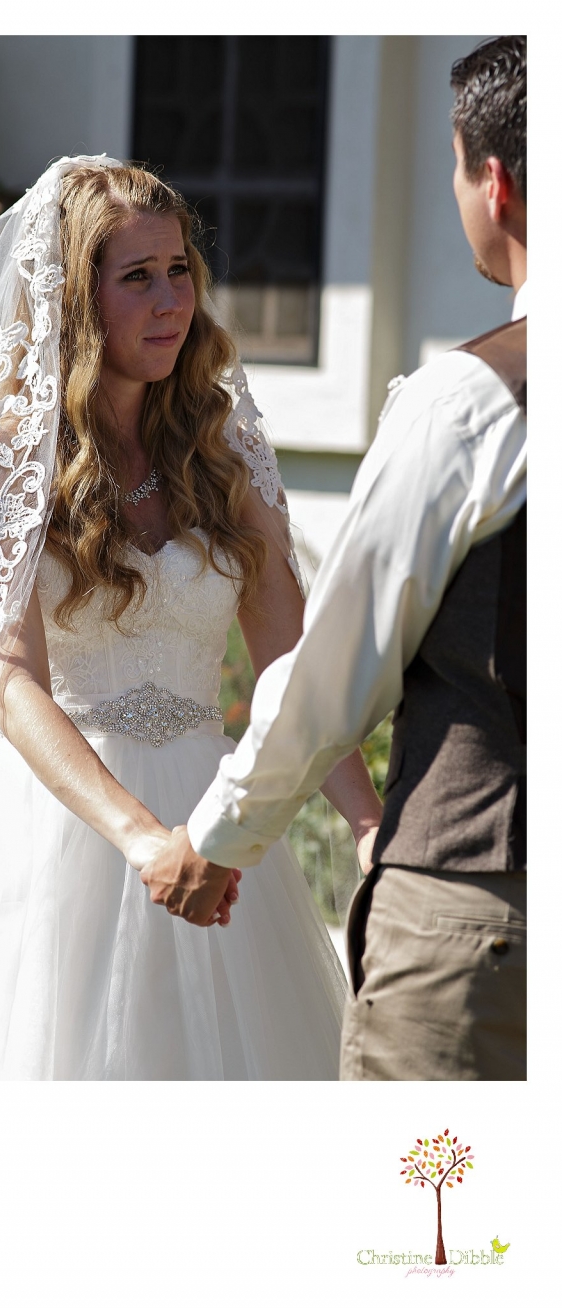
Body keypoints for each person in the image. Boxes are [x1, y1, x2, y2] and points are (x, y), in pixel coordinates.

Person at [0, 156, 382, 1080]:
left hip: (215, 826)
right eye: (137, 278)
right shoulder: (3, 461)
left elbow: (290, 658)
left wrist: (369, 828)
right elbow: (12, 683)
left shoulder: (223, 450)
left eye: (179, 271)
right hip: (57, 829)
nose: (171, 302)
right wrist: (140, 838)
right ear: (75, 302)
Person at [143, 36, 527, 1081]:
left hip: (487, 898)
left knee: (436, 1191)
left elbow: (338, 667)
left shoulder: (474, 400)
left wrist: (218, 837)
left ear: (494, 183)